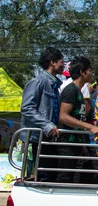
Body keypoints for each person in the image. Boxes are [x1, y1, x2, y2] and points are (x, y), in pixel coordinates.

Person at [20, 47, 65, 181]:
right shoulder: (38, 82)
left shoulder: (54, 85)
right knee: (44, 176)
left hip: (51, 137)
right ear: (53, 62)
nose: (63, 65)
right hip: (39, 136)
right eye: (61, 62)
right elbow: (27, 108)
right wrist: (47, 125)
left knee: (52, 174)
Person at [56, 57, 98, 183]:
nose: (92, 73)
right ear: (82, 72)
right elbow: (63, 116)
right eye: (89, 70)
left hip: (76, 142)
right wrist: (90, 127)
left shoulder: (79, 91)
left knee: (73, 177)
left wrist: (82, 145)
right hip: (67, 144)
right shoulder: (70, 90)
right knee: (64, 177)